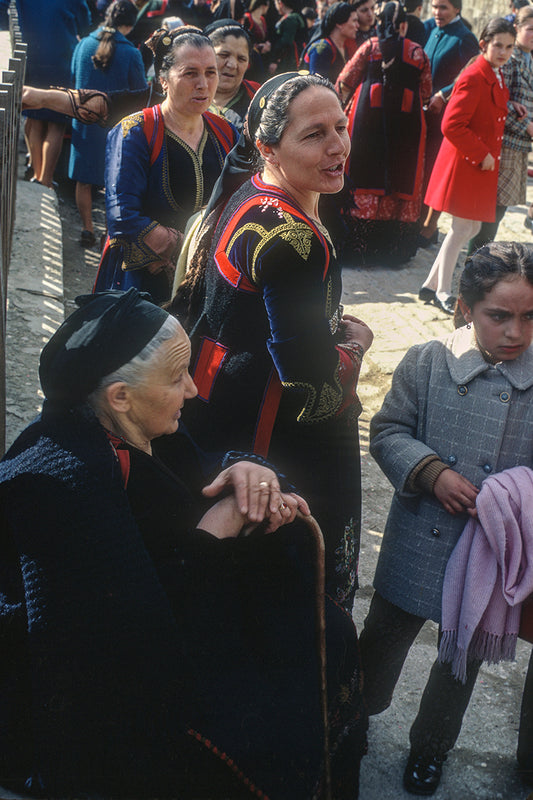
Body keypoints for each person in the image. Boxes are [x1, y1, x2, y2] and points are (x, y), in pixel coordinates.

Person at [0, 288, 368, 800]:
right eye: (176, 377)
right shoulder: (63, 485)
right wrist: (220, 524)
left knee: (326, 631)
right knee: (270, 724)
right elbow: (126, 641)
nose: (193, 389)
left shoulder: (140, 428)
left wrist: (244, 470)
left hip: (192, 610)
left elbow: (196, 469)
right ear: (120, 396)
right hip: (132, 685)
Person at [171, 73, 374, 610]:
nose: (338, 146)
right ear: (267, 147)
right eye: (314, 135)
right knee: (288, 584)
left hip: (218, 400)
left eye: (341, 127)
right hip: (273, 429)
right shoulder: (294, 238)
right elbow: (311, 387)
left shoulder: (249, 191)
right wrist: (355, 346)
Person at [362, 241, 533, 795]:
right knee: (382, 640)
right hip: (418, 537)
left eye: (530, 317)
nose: (515, 332)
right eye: (499, 316)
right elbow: (388, 431)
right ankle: (353, 716)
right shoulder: (428, 361)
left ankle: (431, 748)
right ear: (464, 308)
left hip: (488, 552)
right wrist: (430, 472)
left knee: (460, 661)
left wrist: (515, 496)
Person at [93, 27, 239, 305]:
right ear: (163, 80)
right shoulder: (135, 132)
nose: (203, 84)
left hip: (206, 275)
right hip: (143, 279)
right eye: (190, 73)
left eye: (211, 72)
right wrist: (181, 247)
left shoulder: (226, 132)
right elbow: (122, 215)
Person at [419, 18, 517, 315]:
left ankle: (430, 285)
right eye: (498, 45)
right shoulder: (475, 75)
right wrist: (481, 154)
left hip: (479, 165)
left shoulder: (495, 73)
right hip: (466, 163)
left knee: (471, 227)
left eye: (509, 47)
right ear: (484, 44)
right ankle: (444, 291)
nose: (503, 52)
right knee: (462, 228)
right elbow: (452, 124)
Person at [335, 0, 432, 266]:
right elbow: (426, 91)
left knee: (363, 173)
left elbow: (345, 80)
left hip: (367, 123)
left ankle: (357, 251)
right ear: (403, 25)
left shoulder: (370, 47)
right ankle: (392, 253)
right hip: (407, 127)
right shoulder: (418, 53)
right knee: (402, 177)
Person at [69, 0, 148, 249]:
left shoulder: (83, 45)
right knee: (113, 186)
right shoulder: (131, 53)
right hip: (115, 129)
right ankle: (107, 235)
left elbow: (72, 78)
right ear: (130, 24)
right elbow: (140, 93)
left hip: (83, 124)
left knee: (83, 180)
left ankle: (87, 229)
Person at [468, 5, 533, 253]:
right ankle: (476, 258)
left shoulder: (528, 59)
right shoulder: (510, 60)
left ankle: (480, 257)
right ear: (517, 28)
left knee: (501, 207)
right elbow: (497, 101)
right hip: (505, 142)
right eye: (530, 29)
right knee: (493, 208)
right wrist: (527, 125)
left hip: (520, 145)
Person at [417, 0, 479, 247]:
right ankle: (415, 223)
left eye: (443, 7)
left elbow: (470, 74)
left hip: (445, 118)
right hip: (423, 114)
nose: (437, 12)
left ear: (457, 9)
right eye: (434, 6)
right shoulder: (432, 29)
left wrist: (443, 94)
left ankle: (428, 227)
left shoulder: (465, 38)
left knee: (435, 171)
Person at [16, 0, 91, 188]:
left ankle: (35, 173)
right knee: (56, 123)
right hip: (61, 57)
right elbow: (84, 21)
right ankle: (46, 180)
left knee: (34, 117)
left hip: (32, 54)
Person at [207, 22, 260, 131]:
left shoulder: (260, 101)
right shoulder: (186, 98)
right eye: (224, 55)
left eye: (241, 59)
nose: (232, 65)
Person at [303, 2, 359, 84]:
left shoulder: (345, 47)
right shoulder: (322, 49)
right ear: (339, 23)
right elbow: (317, 85)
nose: (357, 25)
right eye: (354, 21)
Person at [269, 0, 306, 72]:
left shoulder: (291, 19)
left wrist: (275, 60)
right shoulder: (295, 16)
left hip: (288, 59)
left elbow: (285, 41)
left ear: (280, 3)